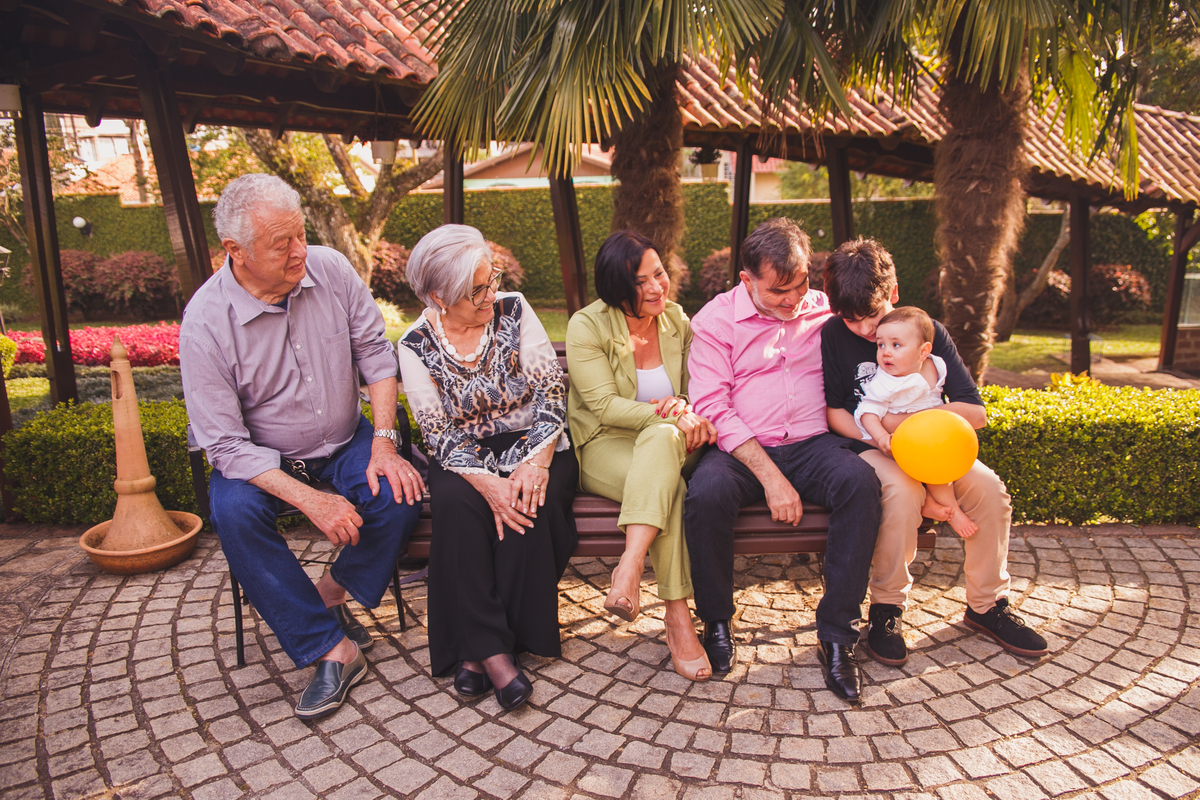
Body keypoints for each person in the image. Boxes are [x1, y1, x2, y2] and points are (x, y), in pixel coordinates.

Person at [180, 174, 424, 721]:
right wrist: (310, 501)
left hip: (344, 439)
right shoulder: (204, 323)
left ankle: (330, 591)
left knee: (401, 495)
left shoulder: (329, 268)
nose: (299, 252)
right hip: (260, 458)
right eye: (281, 243)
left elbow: (376, 357)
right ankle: (330, 648)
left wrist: (384, 445)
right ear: (235, 252)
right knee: (234, 514)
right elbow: (223, 443)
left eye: (300, 235)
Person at [820, 237, 1049, 667]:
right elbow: (836, 414)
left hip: (934, 447)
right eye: (852, 320)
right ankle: (887, 609)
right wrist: (884, 436)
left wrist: (902, 426)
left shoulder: (927, 333)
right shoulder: (834, 335)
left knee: (989, 491)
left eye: (872, 315)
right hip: (871, 448)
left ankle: (987, 605)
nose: (867, 331)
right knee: (903, 496)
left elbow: (974, 414)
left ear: (893, 293)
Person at [683, 217, 882, 701]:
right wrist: (772, 479)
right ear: (746, 280)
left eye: (801, 286)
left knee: (860, 484)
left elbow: (880, 318)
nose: (793, 300)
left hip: (814, 443)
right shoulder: (715, 321)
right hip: (742, 447)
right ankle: (716, 622)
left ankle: (837, 637)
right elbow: (713, 407)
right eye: (778, 292)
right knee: (705, 495)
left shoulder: (822, 310)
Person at [397, 224, 578, 712]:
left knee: (527, 503)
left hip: (539, 441)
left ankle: (476, 655)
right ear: (439, 296)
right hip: (463, 455)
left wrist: (534, 463)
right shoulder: (414, 345)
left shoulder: (513, 309)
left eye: (490, 278)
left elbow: (550, 393)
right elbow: (438, 433)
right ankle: (496, 655)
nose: (490, 294)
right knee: (458, 511)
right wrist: (488, 484)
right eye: (477, 289)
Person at [566, 231, 718, 682]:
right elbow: (604, 407)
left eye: (659, 274)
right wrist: (671, 410)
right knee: (668, 483)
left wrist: (683, 410)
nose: (656, 288)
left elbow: (695, 389)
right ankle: (677, 618)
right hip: (604, 444)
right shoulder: (587, 325)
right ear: (616, 287)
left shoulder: (677, 321)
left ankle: (629, 566)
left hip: (674, 444)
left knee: (662, 442)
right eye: (640, 281)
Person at [853, 306, 978, 538]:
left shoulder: (936, 364)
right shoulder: (884, 381)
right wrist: (881, 437)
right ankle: (955, 512)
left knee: (941, 466)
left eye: (896, 345)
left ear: (923, 352)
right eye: (881, 345)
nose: (885, 352)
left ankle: (928, 503)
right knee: (936, 473)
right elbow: (867, 411)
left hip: (934, 437)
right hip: (904, 442)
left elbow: (975, 411)